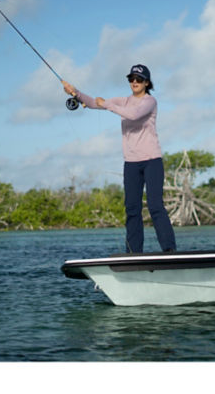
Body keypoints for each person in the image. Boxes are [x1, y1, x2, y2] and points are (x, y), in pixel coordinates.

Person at [62, 64, 177, 253]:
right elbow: (93, 103)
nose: (134, 82)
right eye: (131, 79)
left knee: (156, 206)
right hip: (131, 163)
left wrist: (106, 104)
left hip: (152, 161)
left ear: (147, 83)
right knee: (132, 209)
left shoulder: (150, 102)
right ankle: (133, 253)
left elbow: (133, 115)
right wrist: (75, 92)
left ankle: (170, 251)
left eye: (139, 79)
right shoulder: (122, 101)